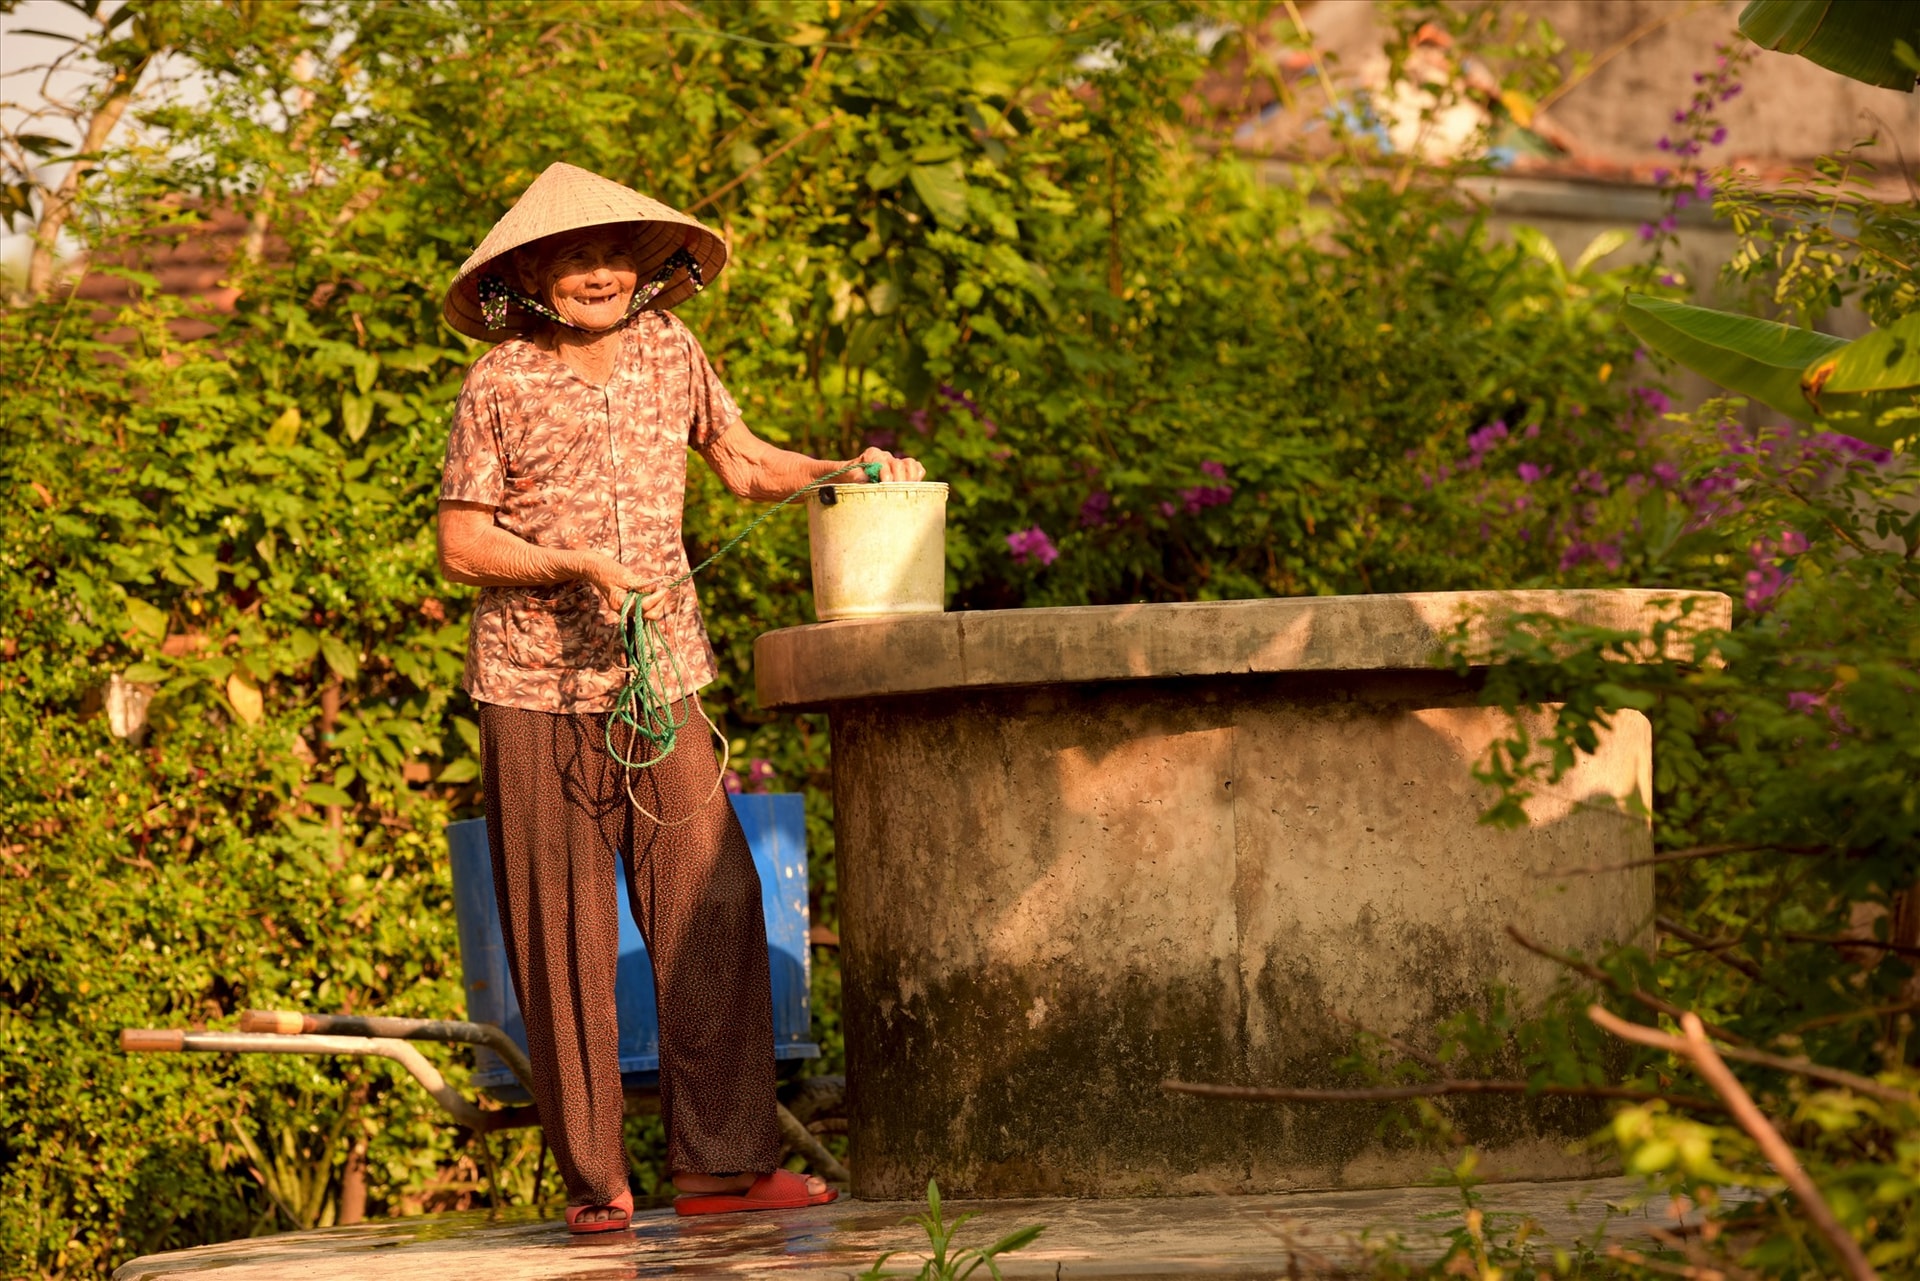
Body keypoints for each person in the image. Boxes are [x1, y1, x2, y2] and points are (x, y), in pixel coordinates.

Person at [436, 162, 925, 1233]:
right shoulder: (500, 382)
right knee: (559, 929)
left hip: (661, 676)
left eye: (615, 255)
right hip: (534, 684)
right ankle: (597, 1179)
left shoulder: (674, 351)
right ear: (530, 276)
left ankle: (720, 1165)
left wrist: (845, 467)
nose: (598, 273)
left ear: (650, 269)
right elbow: (462, 541)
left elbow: (743, 463)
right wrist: (565, 562)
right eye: (572, 259)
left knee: (713, 902)